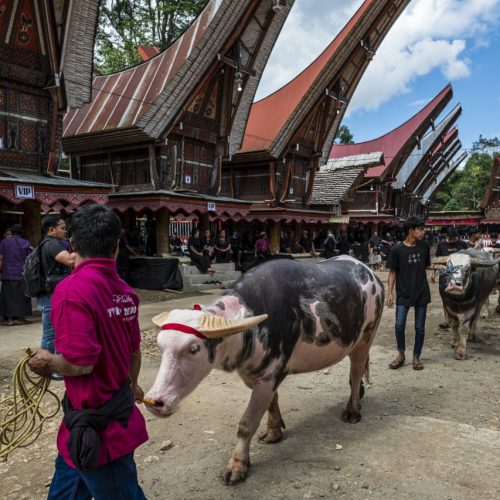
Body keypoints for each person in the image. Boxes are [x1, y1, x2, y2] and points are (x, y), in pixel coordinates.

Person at [27, 204, 148, 499]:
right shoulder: (125, 292)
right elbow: (134, 352)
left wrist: (47, 361)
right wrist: (131, 387)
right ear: (116, 247)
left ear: (73, 244)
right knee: (65, 491)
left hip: (99, 432)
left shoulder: (71, 290)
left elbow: (80, 364)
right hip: (96, 422)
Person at [386, 216, 441, 371]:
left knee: (420, 327)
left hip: (421, 292)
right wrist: (390, 293)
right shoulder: (396, 249)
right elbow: (392, 272)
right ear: (411, 230)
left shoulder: (424, 246)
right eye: (420, 229)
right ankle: (401, 354)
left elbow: (427, 266)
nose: (423, 232)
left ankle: (416, 356)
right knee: (399, 325)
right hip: (403, 293)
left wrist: (440, 268)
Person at [38, 214, 76, 356]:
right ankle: (48, 366)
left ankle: (52, 366)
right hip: (51, 295)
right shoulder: (52, 244)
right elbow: (70, 261)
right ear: (52, 230)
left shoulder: (46, 242)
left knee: (54, 331)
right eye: (62, 228)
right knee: (50, 333)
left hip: (49, 294)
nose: (65, 231)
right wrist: (83, 249)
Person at [432, 227, 467, 329]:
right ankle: (447, 319)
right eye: (451, 238)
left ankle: (459, 318)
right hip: (444, 274)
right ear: (446, 236)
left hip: (459, 275)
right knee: (445, 298)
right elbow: (437, 260)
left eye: (455, 238)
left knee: (460, 296)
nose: (453, 240)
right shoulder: (441, 245)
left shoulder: (462, 244)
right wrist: (434, 273)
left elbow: (467, 259)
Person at [0, 224, 32, 325]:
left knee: (8, 296)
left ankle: (9, 319)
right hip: (21, 273)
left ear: (12, 232)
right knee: (22, 296)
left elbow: (1, 258)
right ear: (21, 233)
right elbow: (29, 259)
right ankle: (20, 318)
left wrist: (1, 270)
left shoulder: (4, 242)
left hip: (8, 273)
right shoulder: (26, 243)